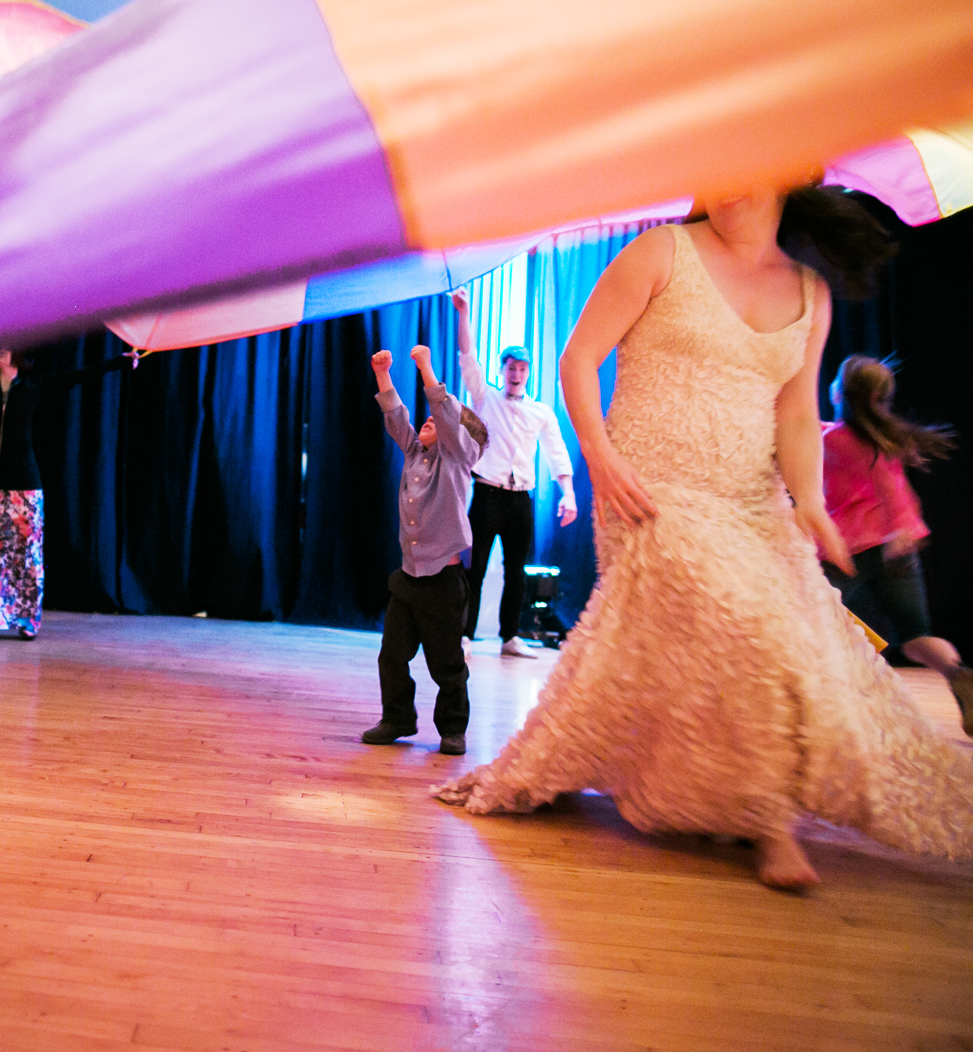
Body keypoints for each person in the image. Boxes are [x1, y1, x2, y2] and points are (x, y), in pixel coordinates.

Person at [434, 183, 973, 891]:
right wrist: (599, 456)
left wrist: (810, 501)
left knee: (813, 647)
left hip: (752, 502)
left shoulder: (810, 292)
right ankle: (769, 821)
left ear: (787, 174)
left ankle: (694, 777)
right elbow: (577, 359)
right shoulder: (662, 252)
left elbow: (794, 412)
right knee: (746, 627)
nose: (731, 182)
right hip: (650, 491)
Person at [821, 355, 971, 730]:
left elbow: (796, 437)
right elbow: (895, 491)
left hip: (847, 550)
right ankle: (959, 674)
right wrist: (900, 528)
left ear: (840, 392)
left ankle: (836, 702)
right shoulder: (889, 440)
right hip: (898, 549)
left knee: (815, 615)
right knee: (916, 636)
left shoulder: (830, 439)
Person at [0, 348, 127, 639]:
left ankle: (26, 620)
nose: (1, 349)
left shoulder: (33, 386)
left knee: (24, 555)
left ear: (19, 355)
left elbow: (78, 376)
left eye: (9, 346)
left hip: (23, 483)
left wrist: (118, 362)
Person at [362, 345, 488, 755]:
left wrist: (426, 368)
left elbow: (447, 413)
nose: (430, 419)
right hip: (409, 579)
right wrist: (384, 374)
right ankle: (397, 718)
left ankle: (453, 729)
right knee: (391, 655)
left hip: (443, 584)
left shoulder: (456, 460)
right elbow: (398, 417)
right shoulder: (417, 453)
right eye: (428, 418)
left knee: (446, 664)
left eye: (439, 420)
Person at [454, 289, 576, 657]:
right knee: (473, 567)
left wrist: (568, 494)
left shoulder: (541, 411)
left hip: (520, 498)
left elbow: (557, 452)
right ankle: (465, 635)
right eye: (511, 367)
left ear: (528, 373)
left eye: (522, 368)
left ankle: (509, 637)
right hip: (488, 494)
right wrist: (464, 313)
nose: (516, 373)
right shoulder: (486, 398)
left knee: (516, 570)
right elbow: (467, 358)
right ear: (502, 370)